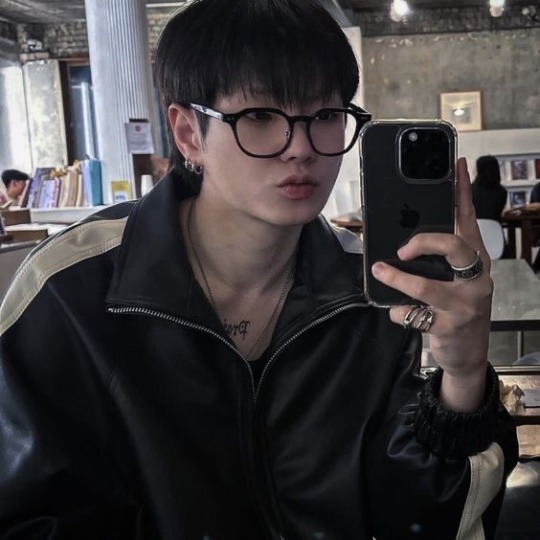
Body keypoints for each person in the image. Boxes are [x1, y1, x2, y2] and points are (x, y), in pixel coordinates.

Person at [0, 1, 518, 539]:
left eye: (324, 116)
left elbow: (412, 519)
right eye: (260, 117)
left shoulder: (371, 292)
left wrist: (462, 377)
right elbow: (27, 512)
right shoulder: (72, 291)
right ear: (189, 133)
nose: (301, 149)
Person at [471, 155, 508, 220]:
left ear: (479, 169)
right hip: (494, 226)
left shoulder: (469, 190)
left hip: (473, 225)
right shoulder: (502, 192)